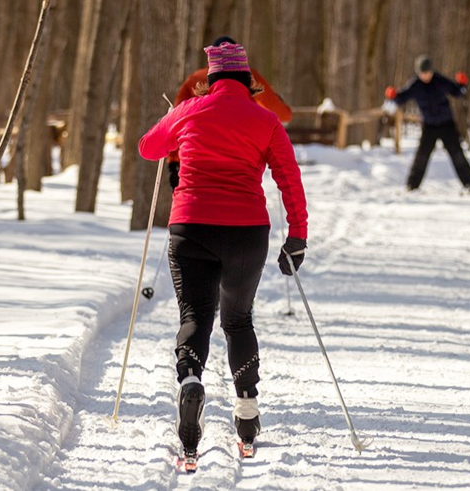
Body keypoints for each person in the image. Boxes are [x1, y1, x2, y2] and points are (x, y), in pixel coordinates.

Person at [138, 41, 308, 459]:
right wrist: (297, 236)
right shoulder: (265, 120)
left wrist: (175, 119)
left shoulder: (189, 112)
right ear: (248, 81)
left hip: (191, 226)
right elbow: (289, 178)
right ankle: (247, 409)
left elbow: (147, 148)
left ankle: (191, 380)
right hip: (246, 232)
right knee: (237, 320)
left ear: (209, 80)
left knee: (195, 314)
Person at [166, 36, 293, 190]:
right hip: (241, 159)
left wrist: (174, 161)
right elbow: (282, 114)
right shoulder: (249, 77)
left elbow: (175, 121)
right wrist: (280, 105)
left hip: (198, 161)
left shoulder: (196, 79)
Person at [385, 55, 470, 192]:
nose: (426, 75)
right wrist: (393, 95)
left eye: (428, 72)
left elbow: (457, 92)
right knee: (422, 156)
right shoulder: (415, 85)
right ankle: (412, 186)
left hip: (447, 124)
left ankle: (469, 184)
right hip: (429, 126)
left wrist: (462, 84)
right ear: (418, 73)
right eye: (423, 73)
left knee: (457, 154)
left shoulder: (440, 81)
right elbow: (401, 98)